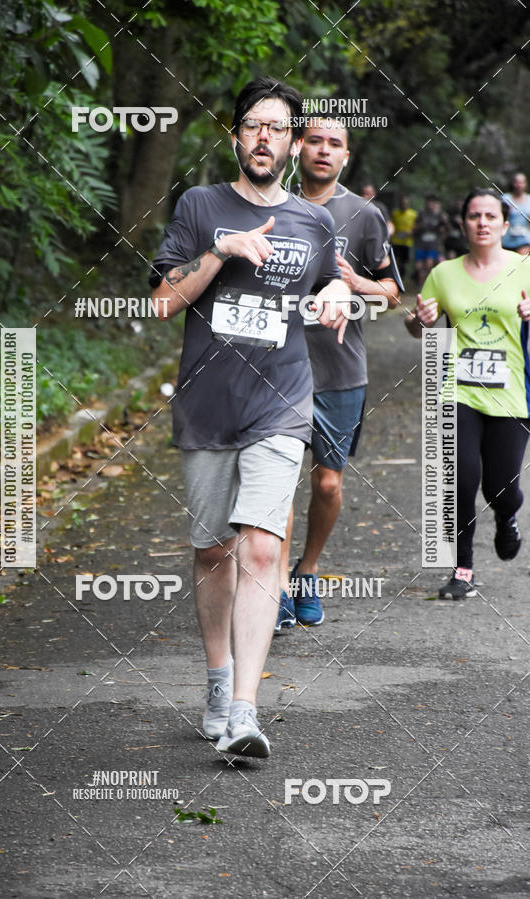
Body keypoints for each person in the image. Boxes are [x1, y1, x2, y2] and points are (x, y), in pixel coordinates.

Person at [150, 77, 350, 757]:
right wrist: (221, 253)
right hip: (208, 403)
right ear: (235, 135)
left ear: (294, 143)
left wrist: (335, 298)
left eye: (277, 128)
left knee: (262, 544)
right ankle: (216, 681)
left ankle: (244, 711)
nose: (264, 138)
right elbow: (162, 301)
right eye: (252, 126)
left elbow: (329, 281)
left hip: (281, 400)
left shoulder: (314, 221)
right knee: (214, 551)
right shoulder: (200, 205)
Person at [276, 116, 401, 630]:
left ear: (346, 157)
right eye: (315, 141)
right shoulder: (272, 207)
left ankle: (307, 570)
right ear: (298, 147)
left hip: (341, 371)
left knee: (327, 484)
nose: (324, 151)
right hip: (277, 368)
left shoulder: (364, 215)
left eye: (336, 144)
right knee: (278, 481)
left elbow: (393, 293)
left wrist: (355, 283)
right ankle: (278, 586)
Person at [406, 188, 530, 599]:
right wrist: (420, 321)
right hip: (456, 390)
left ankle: (507, 514)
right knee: (460, 478)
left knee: (500, 487)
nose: (482, 222)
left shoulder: (524, 268)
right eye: (474, 216)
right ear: (463, 224)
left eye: (490, 216)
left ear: (504, 225)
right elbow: (416, 325)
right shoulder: (444, 273)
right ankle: (462, 569)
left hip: (511, 392)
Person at [413, 195, 449, 286]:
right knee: (419, 267)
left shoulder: (440, 215)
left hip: (433, 245)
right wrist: (420, 226)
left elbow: (447, 228)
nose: (431, 204)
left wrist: (444, 224)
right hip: (421, 244)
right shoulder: (422, 214)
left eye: (433, 203)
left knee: (429, 264)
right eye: (429, 202)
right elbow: (414, 228)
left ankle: (428, 285)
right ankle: (420, 286)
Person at [502, 172, 530, 254]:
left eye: (521, 182)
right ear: (513, 183)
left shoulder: (529, 199)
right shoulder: (505, 198)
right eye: (516, 182)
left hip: (524, 240)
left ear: (525, 184)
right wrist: (506, 212)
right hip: (506, 240)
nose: (519, 185)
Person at [391, 195, 418, 277]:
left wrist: (412, 231)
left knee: (404, 262)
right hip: (396, 241)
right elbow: (391, 224)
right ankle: (396, 276)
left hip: (407, 242)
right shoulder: (395, 213)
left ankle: (403, 276)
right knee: (396, 260)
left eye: (406, 204)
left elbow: (417, 225)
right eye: (402, 204)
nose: (404, 205)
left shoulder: (413, 214)